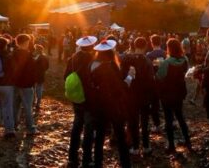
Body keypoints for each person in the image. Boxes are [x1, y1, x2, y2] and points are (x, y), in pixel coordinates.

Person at [87, 39, 131, 168]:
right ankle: (125, 163)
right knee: (120, 136)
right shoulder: (110, 67)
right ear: (110, 52)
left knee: (100, 136)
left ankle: (98, 163)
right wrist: (130, 77)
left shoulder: (91, 65)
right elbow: (119, 87)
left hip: (98, 105)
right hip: (113, 105)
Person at [64, 36, 97, 168]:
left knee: (77, 125)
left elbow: (65, 76)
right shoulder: (93, 59)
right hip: (90, 97)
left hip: (76, 96)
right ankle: (87, 159)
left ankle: (72, 157)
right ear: (92, 46)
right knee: (89, 128)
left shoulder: (73, 58)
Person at [156, 38, 192, 153]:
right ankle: (188, 142)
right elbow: (186, 71)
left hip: (167, 94)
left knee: (168, 119)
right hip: (179, 92)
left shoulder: (166, 62)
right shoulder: (185, 59)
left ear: (169, 48)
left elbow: (159, 77)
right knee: (180, 116)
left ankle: (171, 145)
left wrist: (157, 67)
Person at [120, 36, 155, 156]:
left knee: (132, 121)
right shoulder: (147, 61)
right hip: (144, 96)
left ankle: (135, 147)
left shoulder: (126, 59)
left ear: (134, 46)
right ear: (145, 46)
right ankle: (146, 146)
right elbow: (151, 81)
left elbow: (122, 77)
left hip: (130, 95)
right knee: (145, 122)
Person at [12, 33, 36, 134]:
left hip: (15, 83)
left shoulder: (13, 54)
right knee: (27, 107)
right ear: (26, 42)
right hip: (26, 84)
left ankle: (14, 125)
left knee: (15, 106)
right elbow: (32, 71)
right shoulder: (28, 55)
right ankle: (30, 128)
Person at [146, 34, 166, 132]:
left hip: (154, 82)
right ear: (161, 42)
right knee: (166, 102)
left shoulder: (149, 55)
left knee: (154, 104)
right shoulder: (165, 53)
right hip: (165, 81)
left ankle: (157, 125)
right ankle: (170, 122)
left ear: (151, 42)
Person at [32, 44, 49, 110]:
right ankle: (38, 103)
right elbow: (47, 66)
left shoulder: (34, 57)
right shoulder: (45, 57)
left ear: (37, 50)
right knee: (39, 89)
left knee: (34, 89)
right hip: (41, 75)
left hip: (34, 75)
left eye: (35, 49)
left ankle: (34, 101)